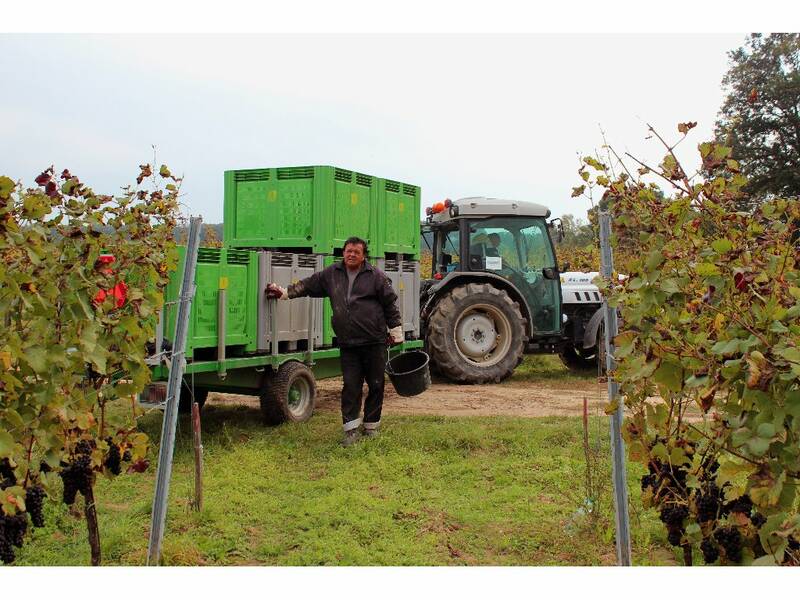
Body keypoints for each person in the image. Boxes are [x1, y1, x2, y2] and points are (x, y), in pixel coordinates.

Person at [266, 237, 404, 447]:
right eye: (348, 251)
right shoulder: (332, 274)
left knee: (376, 384)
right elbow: (308, 285)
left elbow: (390, 304)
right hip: (348, 342)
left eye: (356, 252)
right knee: (350, 386)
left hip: (374, 341)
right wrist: (285, 293)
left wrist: (396, 330)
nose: (351, 255)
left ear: (363, 255)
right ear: (344, 252)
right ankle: (350, 430)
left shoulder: (375, 276)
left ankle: (371, 426)